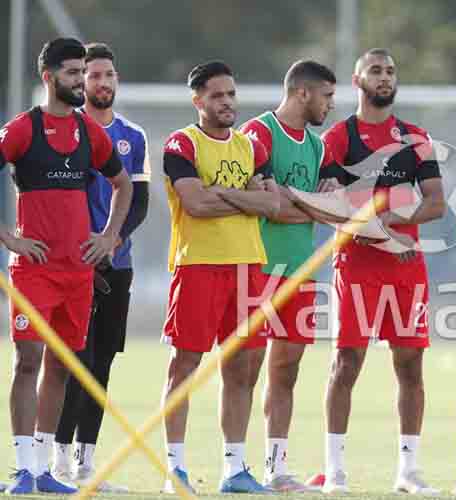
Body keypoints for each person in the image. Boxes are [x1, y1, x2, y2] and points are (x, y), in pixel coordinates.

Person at [0, 38, 133, 495]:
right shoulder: (22, 130)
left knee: (61, 364)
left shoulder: (89, 132)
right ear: (48, 77)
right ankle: (23, 469)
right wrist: (10, 238)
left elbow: (123, 184)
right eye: (73, 73)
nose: (81, 81)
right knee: (27, 362)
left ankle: (43, 470)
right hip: (33, 272)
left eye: (83, 72)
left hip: (77, 274)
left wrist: (109, 236)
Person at [318, 48, 446, 494]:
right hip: (356, 266)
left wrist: (391, 220)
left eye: (390, 71)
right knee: (346, 363)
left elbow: (436, 202)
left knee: (410, 365)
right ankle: (335, 469)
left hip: (406, 267)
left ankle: (408, 471)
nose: (385, 77)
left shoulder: (416, 138)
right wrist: (375, 229)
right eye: (375, 70)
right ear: (357, 80)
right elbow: (328, 205)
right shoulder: (338, 138)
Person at [220, 59, 338, 492]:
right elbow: (267, 205)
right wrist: (308, 204)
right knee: (244, 369)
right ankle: (234, 466)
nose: (330, 105)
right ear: (303, 93)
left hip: (301, 271)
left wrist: (295, 199)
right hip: (257, 267)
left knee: (287, 370)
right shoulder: (259, 133)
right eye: (327, 96)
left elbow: (334, 210)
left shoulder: (319, 147)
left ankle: (276, 468)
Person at [160, 61, 275, 494]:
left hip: (248, 265)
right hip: (198, 266)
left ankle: (235, 469)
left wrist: (222, 193)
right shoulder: (182, 144)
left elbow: (272, 205)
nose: (227, 102)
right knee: (185, 365)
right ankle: (175, 470)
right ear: (198, 101)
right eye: (217, 95)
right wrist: (245, 198)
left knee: (242, 367)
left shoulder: (251, 147)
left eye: (231, 94)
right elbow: (196, 205)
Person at [50, 42, 149, 493]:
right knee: (75, 359)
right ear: (79, 81)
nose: (102, 83)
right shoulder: (65, 132)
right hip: (72, 266)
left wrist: (113, 241)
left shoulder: (134, 136)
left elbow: (139, 202)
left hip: (116, 265)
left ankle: (85, 464)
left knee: (102, 363)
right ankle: (55, 460)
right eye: (93, 75)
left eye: (109, 75)